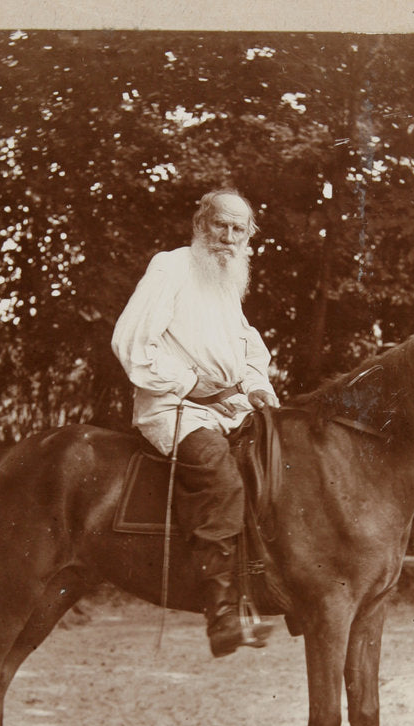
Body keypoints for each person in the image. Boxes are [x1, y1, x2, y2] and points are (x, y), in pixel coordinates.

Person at [111, 189, 280, 657]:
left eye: (237, 229)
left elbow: (247, 352)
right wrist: (194, 386)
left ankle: (280, 591)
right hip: (174, 407)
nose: (227, 237)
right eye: (220, 225)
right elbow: (131, 343)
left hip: (230, 406)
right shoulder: (172, 267)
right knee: (219, 476)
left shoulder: (228, 279)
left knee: (283, 463)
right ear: (200, 224)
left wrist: (257, 387)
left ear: (248, 236)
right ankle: (222, 613)